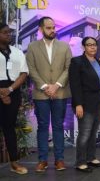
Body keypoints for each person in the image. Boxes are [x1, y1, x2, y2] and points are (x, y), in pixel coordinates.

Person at [26, 16, 72, 172]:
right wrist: (45, 86)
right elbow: (31, 69)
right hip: (41, 94)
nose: (53, 30)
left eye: (53, 27)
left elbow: (68, 68)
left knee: (58, 126)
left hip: (60, 93)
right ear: (41, 29)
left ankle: (59, 160)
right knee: (43, 127)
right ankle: (42, 160)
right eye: (49, 28)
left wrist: (57, 85)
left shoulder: (65, 46)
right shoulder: (32, 47)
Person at [68, 37, 100, 172]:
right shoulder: (77, 62)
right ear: (84, 47)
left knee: (93, 133)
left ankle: (91, 158)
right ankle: (80, 162)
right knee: (85, 134)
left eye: (94, 45)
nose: (92, 47)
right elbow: (75, 85)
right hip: (84, 104)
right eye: (89, 45)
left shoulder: (99, 63)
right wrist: (78, 104)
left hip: (99, 103)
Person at [0, 23, 28, 174]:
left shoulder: (17, 52)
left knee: (9, 127)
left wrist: (9, 90)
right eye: (5, 33)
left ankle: (14, 163)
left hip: (13, 90)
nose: (8, 35)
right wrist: (1, 93)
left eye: (9, 32)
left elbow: (24, 73)